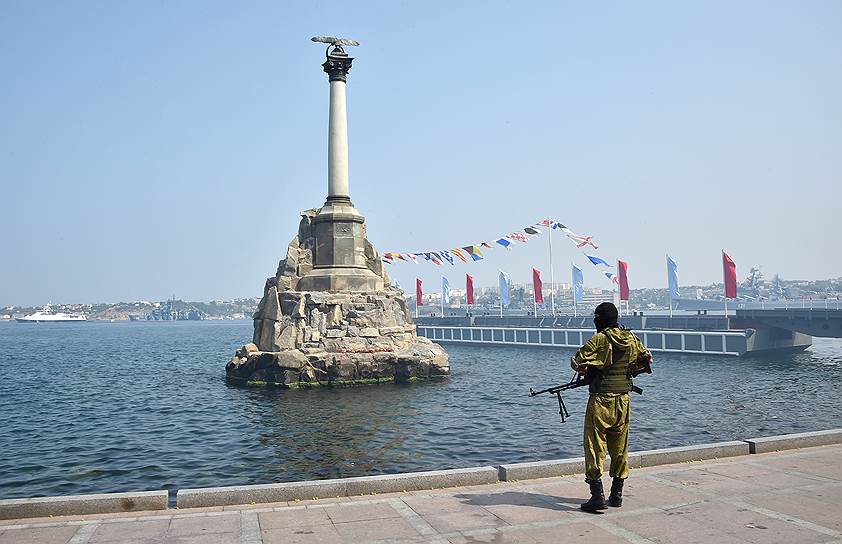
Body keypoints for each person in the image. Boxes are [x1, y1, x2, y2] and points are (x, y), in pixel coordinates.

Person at [570, 302, 652, 512]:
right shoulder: (631, 338)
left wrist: (590, 370)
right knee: (620, 448)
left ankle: (597, 496)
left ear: (600, 319)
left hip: (600, 401)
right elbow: (646, 359)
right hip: (623, 401)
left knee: (595, 446)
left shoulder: (599, 339)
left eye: (596, 318)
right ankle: (616, 495)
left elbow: (576, 361)